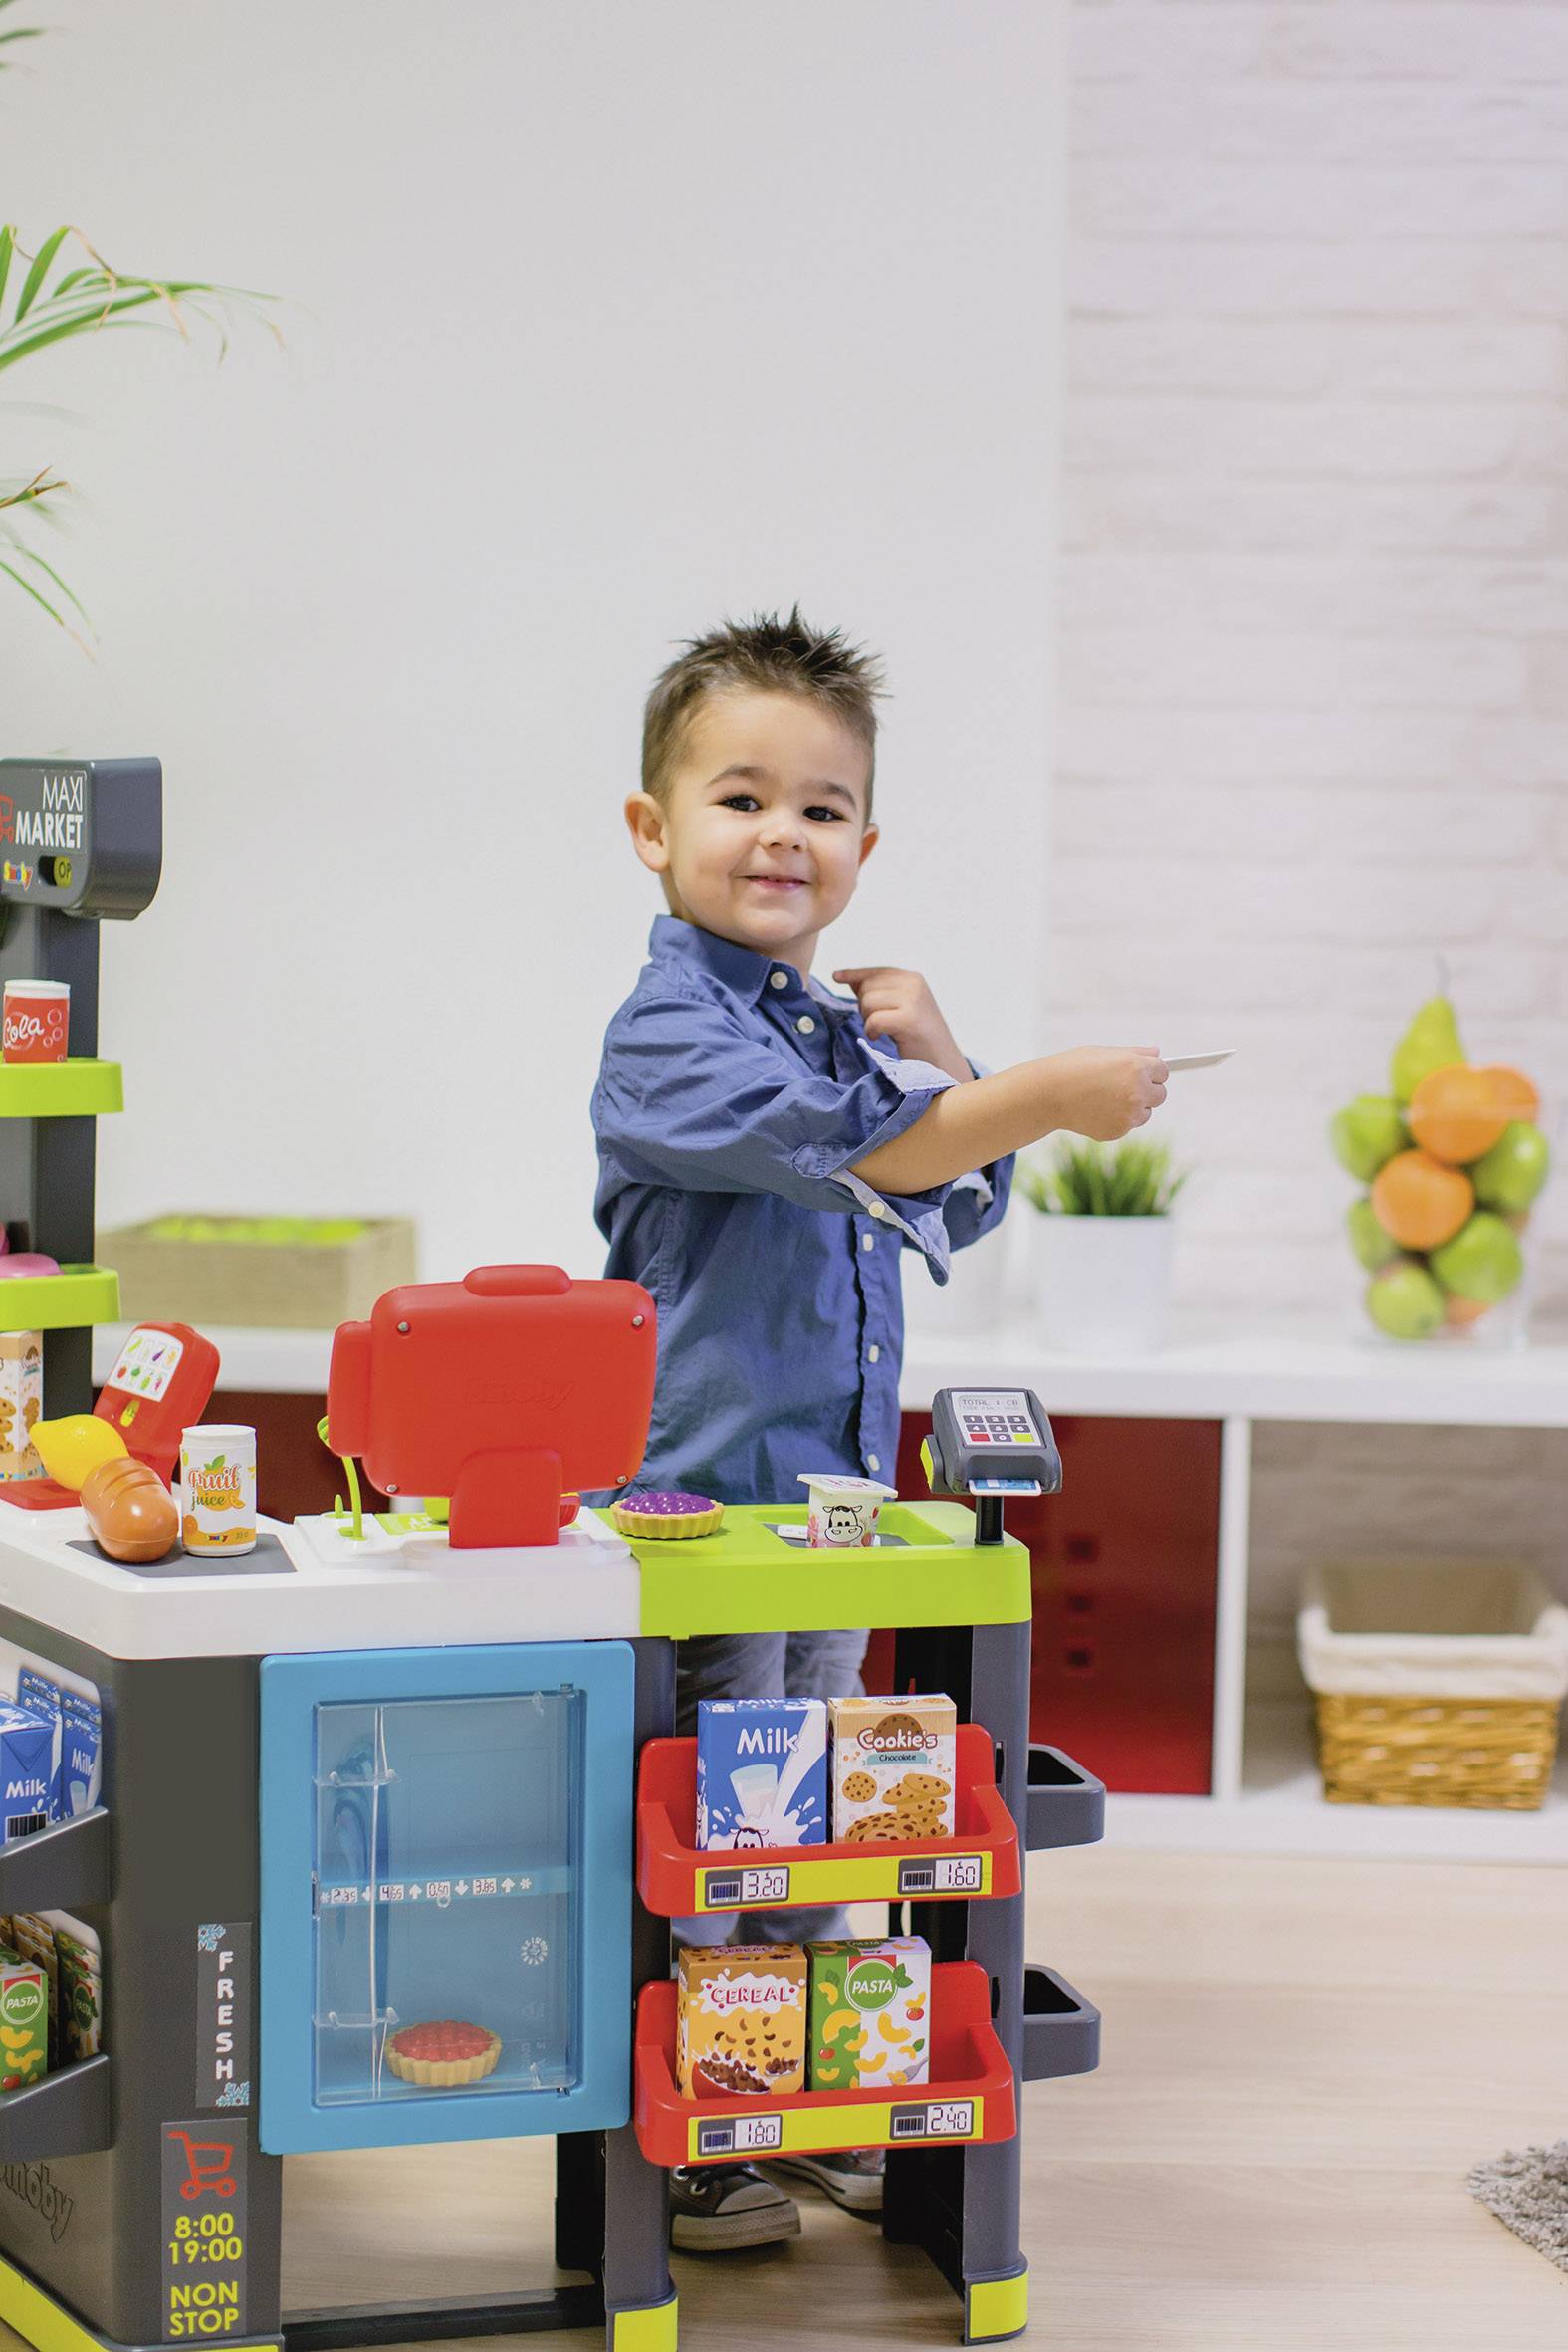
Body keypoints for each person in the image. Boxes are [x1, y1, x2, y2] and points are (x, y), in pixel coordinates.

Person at [592, 609, 1166, 2250]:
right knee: (712, 1823)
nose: (782, 832)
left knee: (831, 1808)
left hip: (831, 1506)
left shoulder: (825, 1023)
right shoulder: (671, 1036)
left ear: (861, 848)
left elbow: (950, 1196)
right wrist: (1039, 1089)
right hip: (702, 1507)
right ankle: (706, 2122)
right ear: (655, 828)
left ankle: (804, 2080)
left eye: (822, 807)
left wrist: (948, 1054)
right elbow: (878, 1154)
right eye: (740, 796)